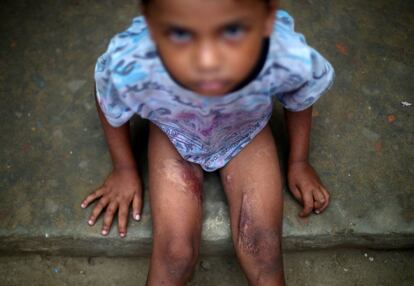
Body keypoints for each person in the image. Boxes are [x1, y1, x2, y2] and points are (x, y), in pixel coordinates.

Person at [81, 0, 334, 284]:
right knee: (175, 255)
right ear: (151, 25)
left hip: (245, 131)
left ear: (267, 18)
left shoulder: (280, 51)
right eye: (179, 34)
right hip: (175, 132)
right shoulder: (138, 58)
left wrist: (299, 160)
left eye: (233, 30)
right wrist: (124, 168)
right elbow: (107, 90)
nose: (207, 62)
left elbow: (303, 88)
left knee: (263, 251)